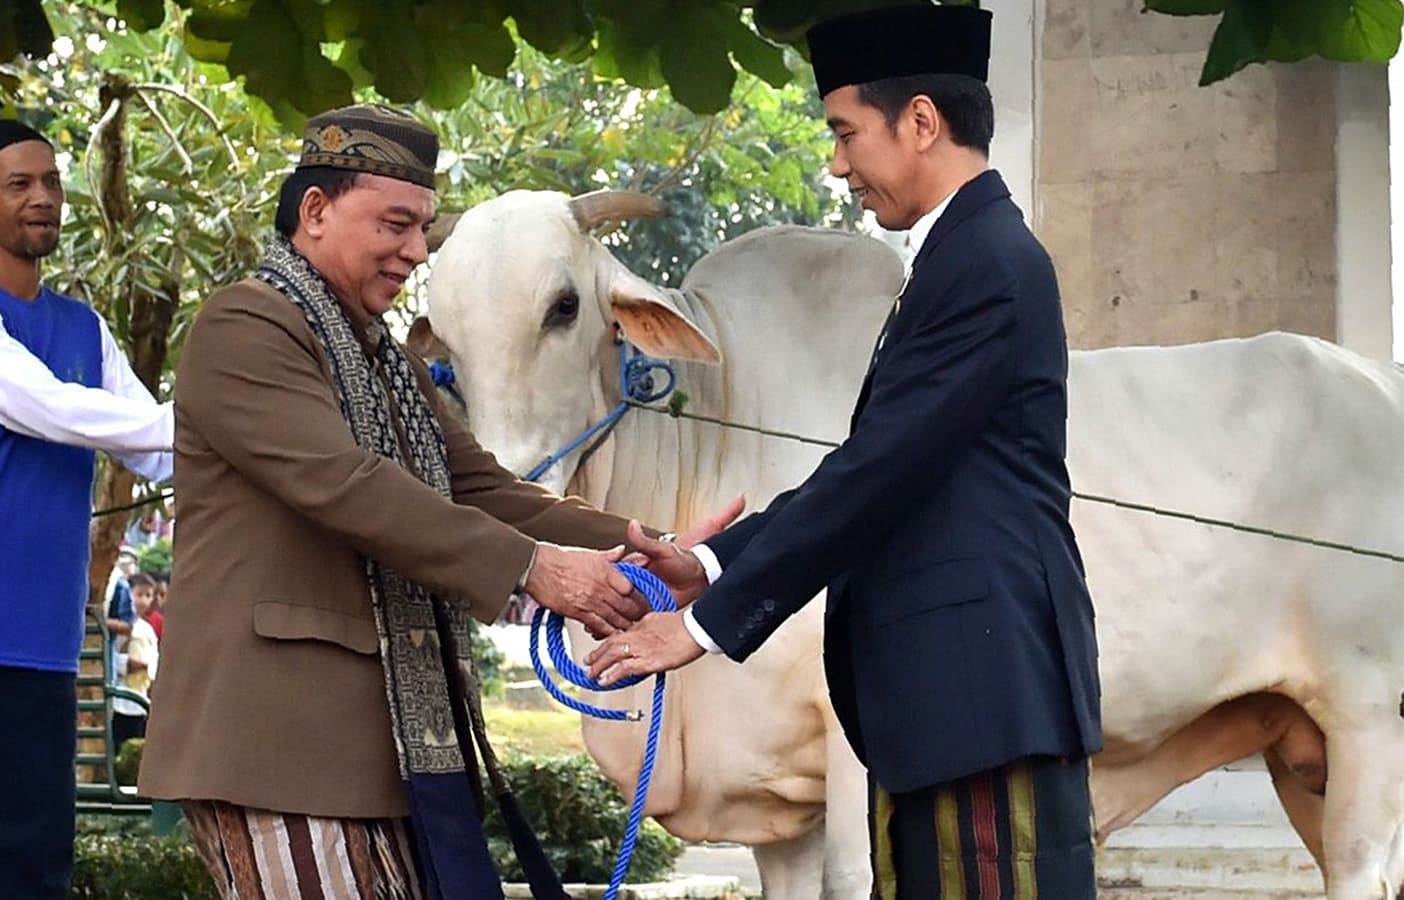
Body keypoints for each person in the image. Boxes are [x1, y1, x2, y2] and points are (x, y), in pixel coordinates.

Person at [139, 104, 738, 900]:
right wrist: (537, 570)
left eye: (422, 227)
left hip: (380, 752)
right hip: (274, 745)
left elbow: (483, 490)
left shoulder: (385, 358)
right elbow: (346, 485)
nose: (415, 251)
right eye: (395, 224)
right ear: (314, 211)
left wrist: (656, 545)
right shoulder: (245, 324)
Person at [590, 7, 1103, 898]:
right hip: (942, 702)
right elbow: (869, 464)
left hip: (982, 695)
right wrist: (706, 563)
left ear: (919, 123)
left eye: (844, 133)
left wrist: (702, 628)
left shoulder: (987, 262)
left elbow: (876, 476)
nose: (837, 165)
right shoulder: (953, 260)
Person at [0, 120, 173, 899]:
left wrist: (267, 440)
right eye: (19, 184)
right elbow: (51, 408)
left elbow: (157, 451)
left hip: (34, 643)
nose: (44, 198)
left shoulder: (84, 330)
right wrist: (226, 418)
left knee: (28, 874)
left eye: (52, 182)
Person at [110, 573, 160, 753]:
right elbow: (114, 657)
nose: (143, 600)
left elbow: (154, 660)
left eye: (148, 595)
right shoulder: (118, 627)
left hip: (140, 700)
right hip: (119, 701)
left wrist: (147, 668)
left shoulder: (147, 630)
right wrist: (129, 665)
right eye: (139, 594)